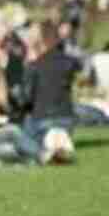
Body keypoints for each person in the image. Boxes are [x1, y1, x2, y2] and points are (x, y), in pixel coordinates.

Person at [21, 21, 80, 162]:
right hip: (67, 118)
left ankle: (50, 144)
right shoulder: (70, 62)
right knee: (55, 129)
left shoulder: (34, 66)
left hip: (42, 118)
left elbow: (26, 98)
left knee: (25, 125)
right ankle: (58, 140)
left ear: (40, 41)